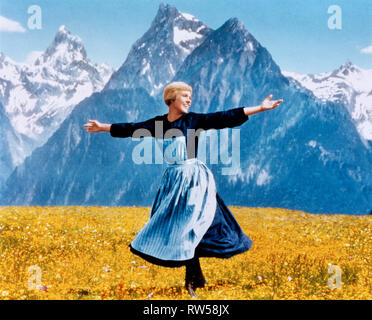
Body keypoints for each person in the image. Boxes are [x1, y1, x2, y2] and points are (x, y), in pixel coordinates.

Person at [84, 82, 283, 298]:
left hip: (194, 181)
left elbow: (224, 117)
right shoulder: (158, 124)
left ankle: (191, 280)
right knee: (179, 229)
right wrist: (103, 127)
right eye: (185, 96)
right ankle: (196, 277)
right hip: (173, 182)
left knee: (191, 227)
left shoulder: (193, 121)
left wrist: (260, 108)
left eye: (190, 96)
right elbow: (131, 128)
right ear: (171, 98)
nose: (189, 100)